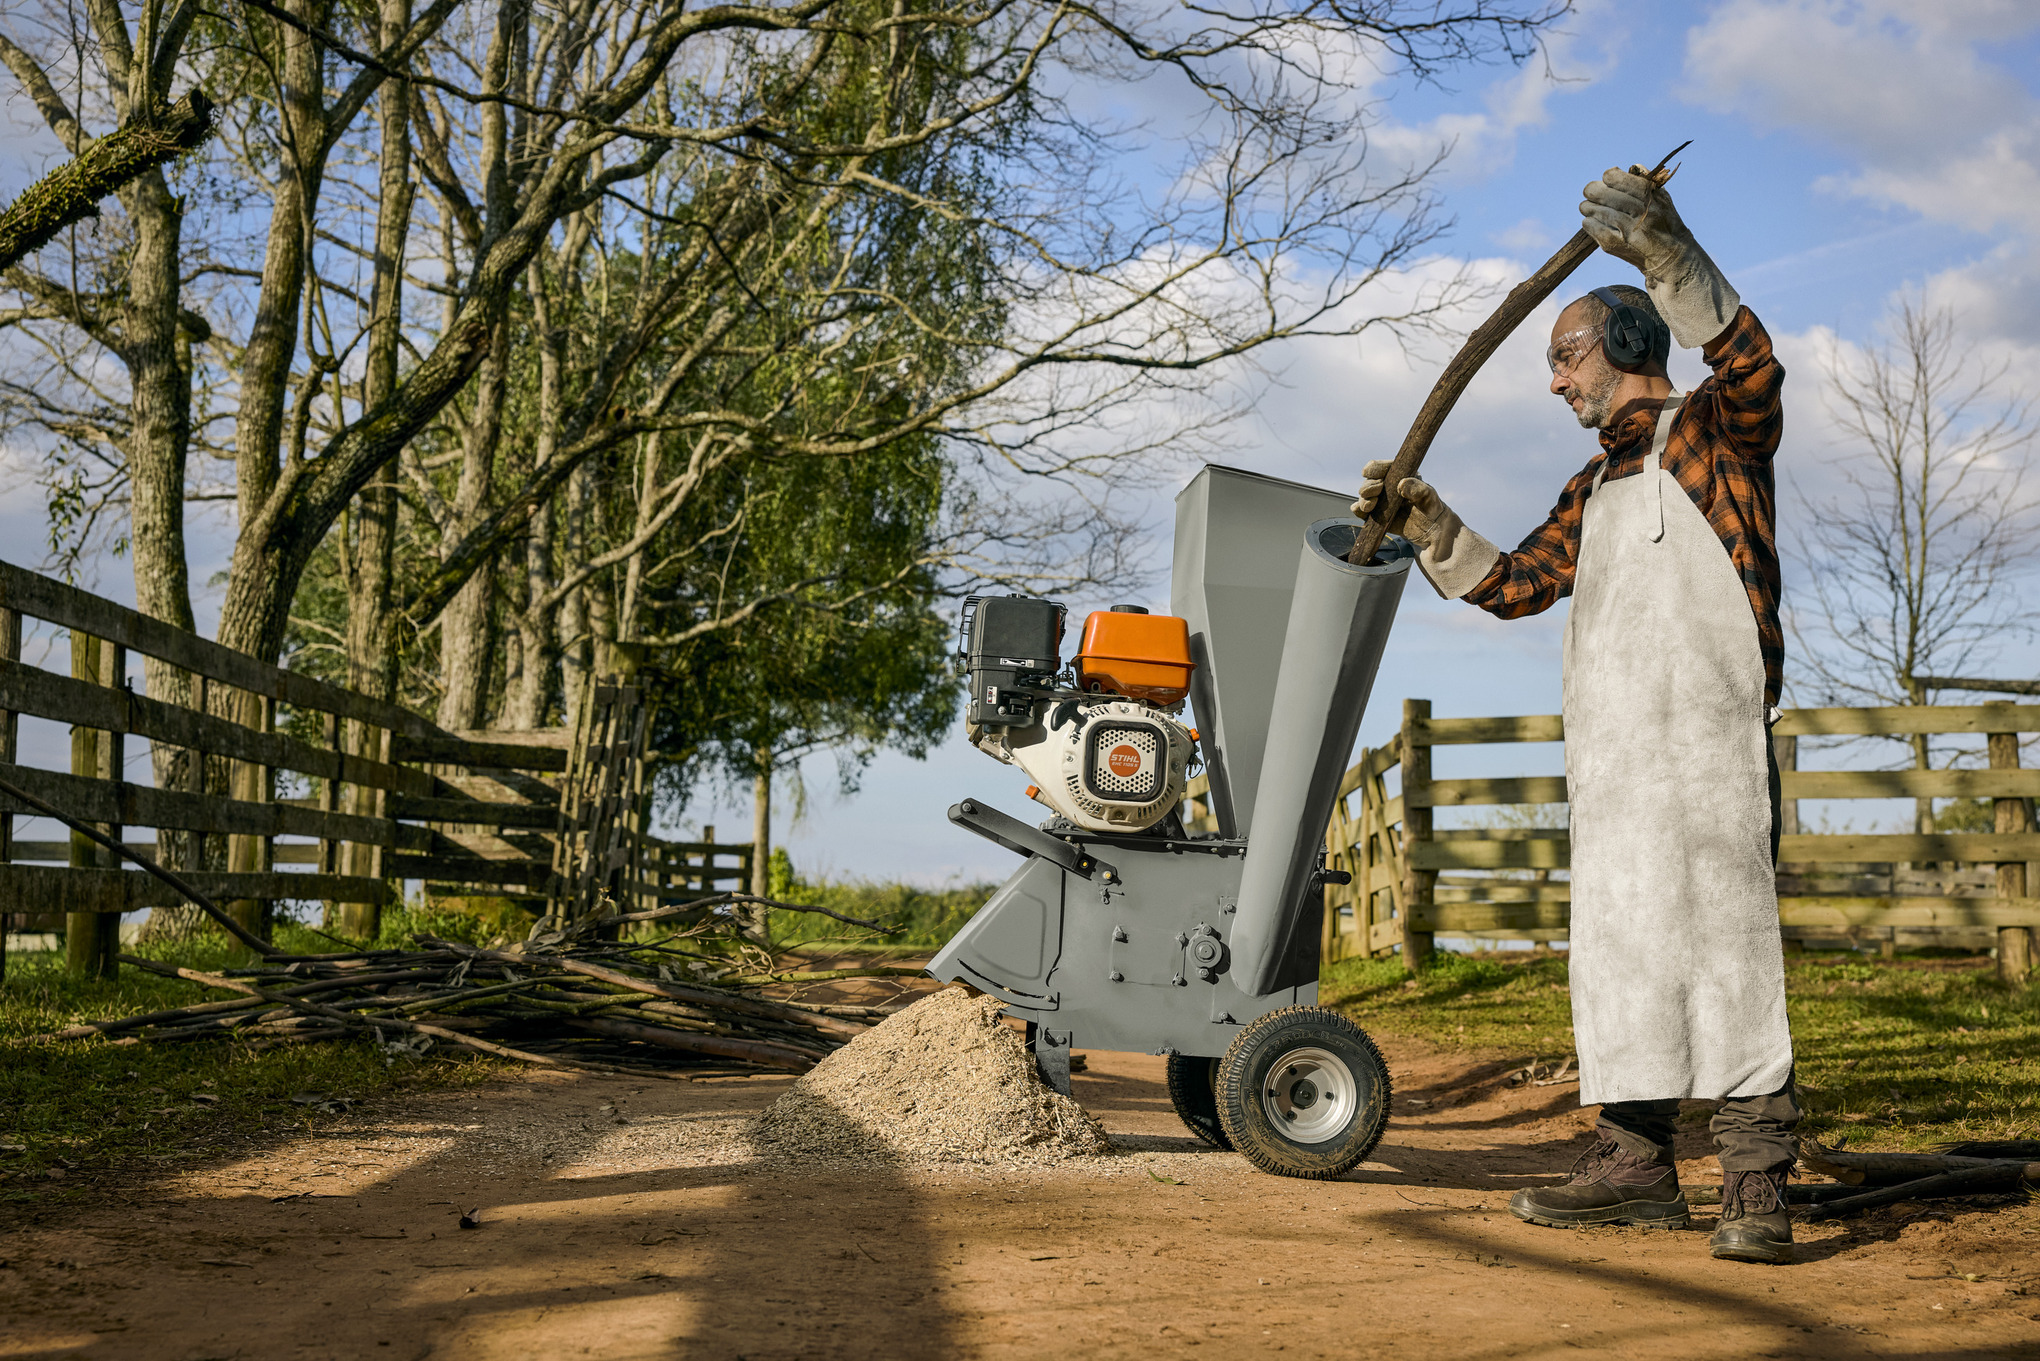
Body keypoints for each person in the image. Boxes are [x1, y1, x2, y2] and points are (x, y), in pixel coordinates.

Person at [1354, 165, 1799, 1264]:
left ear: (1629, 346)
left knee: (1731, 950)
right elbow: (1513, 583)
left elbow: (1750, 362)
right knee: (1623, 946)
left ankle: (1754, 1176)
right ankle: (1638, 1166)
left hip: (1709, 751)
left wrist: (1668, 252)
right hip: (1615, 763)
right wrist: (1427, 519)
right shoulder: (1589, 487)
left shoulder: (1711, 437)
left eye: (1566, 355)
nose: (1554, 383)